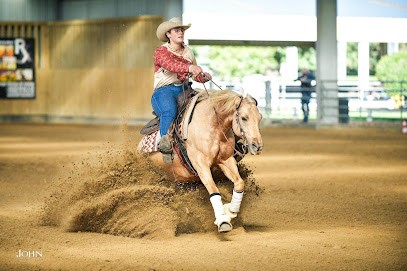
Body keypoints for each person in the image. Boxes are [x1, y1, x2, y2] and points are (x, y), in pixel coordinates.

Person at [152, 17, 211, 163]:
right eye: (177, 30)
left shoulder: (188, 52)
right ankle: (164, 142)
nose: (181, 33)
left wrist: (202, 77)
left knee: (207, 106)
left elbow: (194, 74)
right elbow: (171, 65)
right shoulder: (161, 52)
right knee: (169, 111)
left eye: (182, 30)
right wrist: (190, 67)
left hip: (185, 89)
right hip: (164, 91)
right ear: (168, 34)